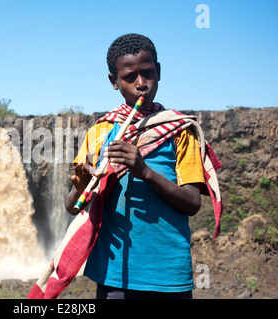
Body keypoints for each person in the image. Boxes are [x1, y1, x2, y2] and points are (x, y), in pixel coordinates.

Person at [64, 33, 210, 299]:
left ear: (159, 71)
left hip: (169, 275)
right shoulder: (101, 132)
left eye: (148, 73)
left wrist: (144, 172)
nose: (141, 84)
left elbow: (192, 203)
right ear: (114, 82)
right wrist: (83, 183)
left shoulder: (180, 131)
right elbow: (73, 206)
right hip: (114, 275)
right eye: (130, 77)